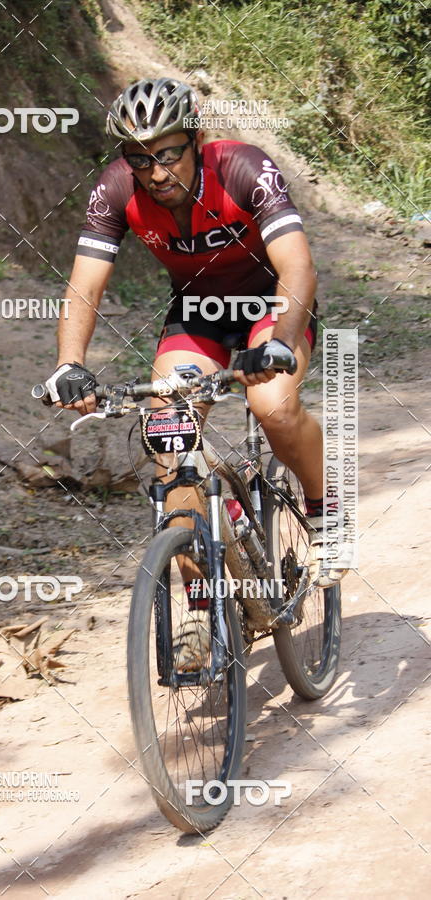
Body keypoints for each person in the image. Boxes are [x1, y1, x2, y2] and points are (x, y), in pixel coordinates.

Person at [45, 78, 344, 662]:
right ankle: (204, 608)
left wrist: (280, 343)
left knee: (274, 408)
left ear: (195, 141)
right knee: (169, 436)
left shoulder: (243, 168)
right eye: (139, 158)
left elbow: (299, 267)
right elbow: (83, 287)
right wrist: (69, 365)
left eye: (167, 153)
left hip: (273, 306)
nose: (155, 172)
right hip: (198, 314)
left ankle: (324, 509)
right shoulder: (114, 191)